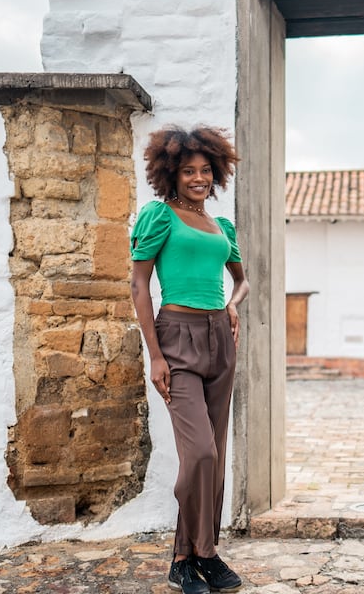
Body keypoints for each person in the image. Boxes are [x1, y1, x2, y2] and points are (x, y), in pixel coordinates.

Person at [130, 125, 248, 594]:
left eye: (204, 171)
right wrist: (155, 356)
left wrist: (233, 303)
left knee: (214, 456)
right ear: (171, 175)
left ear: (215, 172)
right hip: (176, 337)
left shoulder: (223, 227)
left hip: (221, 337)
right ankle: (187, 555)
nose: (197, 178)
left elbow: (241, 279)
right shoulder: (160, 217)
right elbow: (139, 286)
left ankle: (204, 554)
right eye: (187, 171)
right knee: (198, 452)